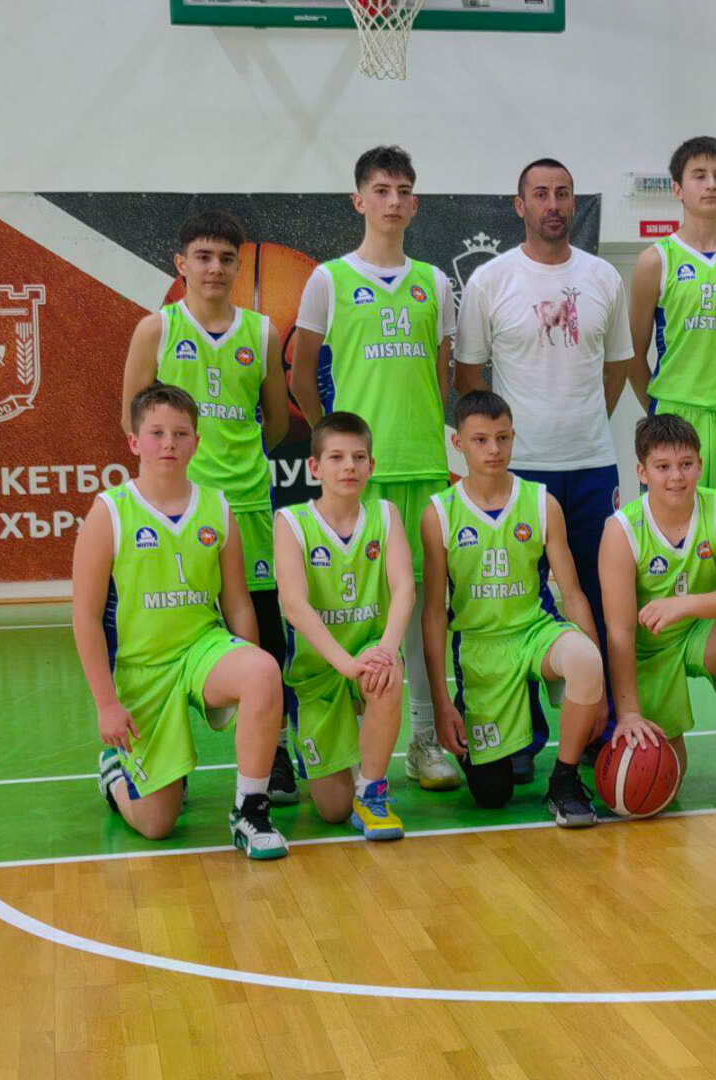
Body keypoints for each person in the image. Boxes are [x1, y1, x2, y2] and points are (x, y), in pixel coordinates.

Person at [290, 145, 462, 793]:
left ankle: (423, 737)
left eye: (404, 190)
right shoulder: (328, 279)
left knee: (422, 609)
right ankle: (331, 737)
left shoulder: (435, 282)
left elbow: (442, 376)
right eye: (382, 190)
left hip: (424, 467)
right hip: (359, 475)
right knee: (347, 605)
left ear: (415, 204)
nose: (394, 201)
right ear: (359, 199)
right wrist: (336, 445)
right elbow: (302, 376)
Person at [455, 157, 632, 780]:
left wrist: (581, 423)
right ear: (520, 205)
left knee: (598, 596)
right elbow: (470, 378)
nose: (553, 204)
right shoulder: (491, 280)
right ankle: (517, 735)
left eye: (562, 194)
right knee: (510, 606)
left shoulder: (604, 277)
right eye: (540, 194)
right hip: (517, 471)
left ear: (573, 202)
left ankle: (602, 726)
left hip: (590, 464)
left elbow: (617, 368)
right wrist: (505, 445)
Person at [119, 210, 296, 802]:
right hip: (178, 509)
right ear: (181, 264)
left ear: (239, 266)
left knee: (263, 629)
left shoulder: (261, 332)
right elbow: (132, 419)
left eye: (225, 258)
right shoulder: (156, 329)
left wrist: (235, 462)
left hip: (245, 502)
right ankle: (149, 746)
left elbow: (276, 421)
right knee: (168, 627)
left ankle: (274, 754)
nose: (214, 268)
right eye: (203, 256)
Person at [74, 383, 287, 858]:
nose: (168, 443)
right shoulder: (109, 513)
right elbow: (85, 618)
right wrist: (106, 704)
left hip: (201, 651)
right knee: (157, 823)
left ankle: (251, 812)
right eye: (156, 433)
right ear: (134, 441)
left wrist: (253, 671)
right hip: (144, 669)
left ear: (196, 442)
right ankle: (115, 775)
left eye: (180, 433)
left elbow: (238, 604)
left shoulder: (217, 507)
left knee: (262, 670)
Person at [421, 391, 607, 826]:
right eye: (481, 440)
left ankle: (564, 781)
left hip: (535, 633)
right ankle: (499, 744)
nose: (494, 449)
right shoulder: (440, 513)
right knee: (492, 794)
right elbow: (433, 613)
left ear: (513, 437)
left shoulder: (541, 502)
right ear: (458, 444)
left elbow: (573, 594)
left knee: (584, 659)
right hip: (480, 649)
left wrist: (600, 687)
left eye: (502, 438)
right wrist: (441, 702)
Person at [599, 413, 716, 811]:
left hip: (701, 634)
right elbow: (619, 632)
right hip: (650, 652)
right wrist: (628, 713)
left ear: (700, 464)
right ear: (642, 472)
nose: (676, 477)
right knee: (661, 779)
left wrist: (684, 605)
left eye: (685, 464)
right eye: (663, 467)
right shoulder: (621, 530)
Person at [273, 412, 414, 839]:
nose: (349, 466)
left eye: (358, 457)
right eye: (336, 457)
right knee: (332, 810)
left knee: (386, 675)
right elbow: (294, 606)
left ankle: (371, 791)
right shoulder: (291, 522)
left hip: (369, 652)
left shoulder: (386, 514)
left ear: (372, 465)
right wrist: (345, 664)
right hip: (319, 669)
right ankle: (339, 755)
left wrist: (385, 651)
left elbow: (404, 589)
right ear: (315, 467)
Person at [628, 136, 716, 537]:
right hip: (675, 413)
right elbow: (633, 355)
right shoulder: (656, 260)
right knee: (668, 537)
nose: (711, 184)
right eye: (699, 175)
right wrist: (661, 407)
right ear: (677, 188)